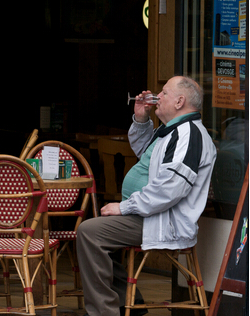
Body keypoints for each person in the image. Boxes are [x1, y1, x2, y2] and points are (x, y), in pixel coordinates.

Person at [77, 76, 217, 316]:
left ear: (179, 101)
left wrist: (124, 207)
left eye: (163, 93)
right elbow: (146, 155)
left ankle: (104, 312)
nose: (157, 97)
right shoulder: (172, 130)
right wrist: (142, 119)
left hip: (163, 220)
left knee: (89, 233)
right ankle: (128, 304)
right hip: (148, 214)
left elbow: (170, 190)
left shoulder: (189, 134)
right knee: (97, 231)